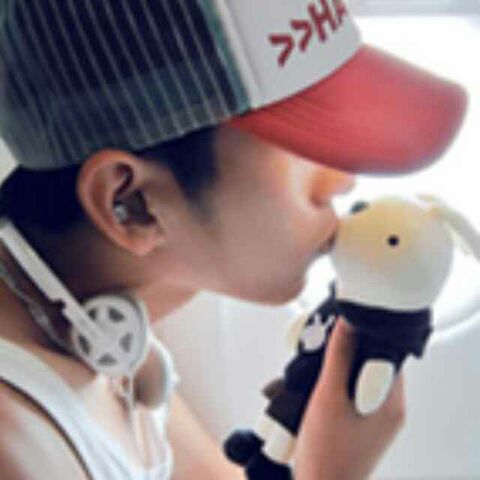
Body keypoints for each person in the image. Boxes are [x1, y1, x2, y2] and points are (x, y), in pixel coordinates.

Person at [0, 1, 467, 479]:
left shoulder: (102, 327)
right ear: (131, 202)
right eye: (299, 148)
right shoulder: (15, 445)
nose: (343, 182)